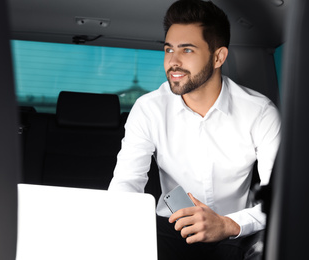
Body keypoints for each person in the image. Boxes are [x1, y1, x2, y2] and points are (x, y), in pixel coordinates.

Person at [108, 0, 281, 259]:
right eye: (169, 50)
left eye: (187, 50)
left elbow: (279, 197)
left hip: (235, 232)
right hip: (170, 231)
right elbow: (127, 182)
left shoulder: (260, 112)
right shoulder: (148, 108)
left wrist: (228, 225)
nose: (173, 62)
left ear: (218, 57)